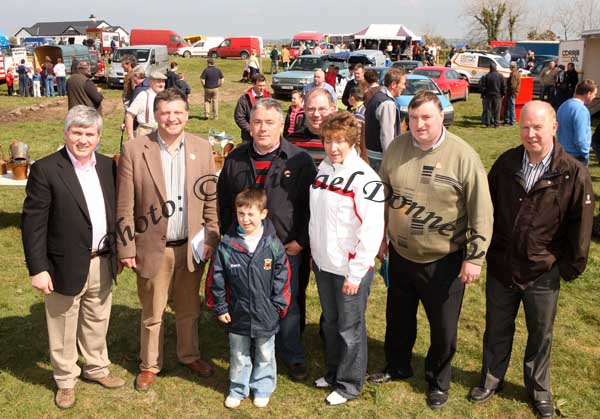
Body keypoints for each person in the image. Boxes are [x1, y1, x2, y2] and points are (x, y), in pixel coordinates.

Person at [368, 91, 494, 410]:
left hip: (445, 259)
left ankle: (438, 380)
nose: (419, 124)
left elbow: (481, 210)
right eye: (413, 118)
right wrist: (380, 236)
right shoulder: (397, 147)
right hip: (400, 254)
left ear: (441, 117)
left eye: (426, 117)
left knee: (443, 327)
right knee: (397, 318)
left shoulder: (463, 155)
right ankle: (397, 366)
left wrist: (475, 258)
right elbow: (383, 195)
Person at [469, 101, 594, 419]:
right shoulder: (507, 162)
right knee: (496, 328)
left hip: (543, 269)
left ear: (553, 127)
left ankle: (539, 391)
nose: (530, 133)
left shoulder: (572, 172)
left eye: (538, 127)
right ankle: (490, 380)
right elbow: (487, 208)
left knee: (540, 334)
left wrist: (569, 266)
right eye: (525, 126)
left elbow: (582, 224)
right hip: (502, 265)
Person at [21, 105, 125, 409]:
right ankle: (65, 379)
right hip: (61, 263)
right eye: (77, 132)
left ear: (98, 136)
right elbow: (33, 224)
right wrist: (38, 268)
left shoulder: (108, 166)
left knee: (97, 317)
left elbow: (114, 212)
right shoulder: (46, 168)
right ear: (66, 133)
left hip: (101, 260)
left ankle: (96, 367)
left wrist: (118, 250)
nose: (83, 139)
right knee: (63, 323)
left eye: (89, 133)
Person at [117, 88, 220, 391]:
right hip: (152, 248)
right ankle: (150, 364)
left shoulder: (202, 148)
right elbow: (124, 206)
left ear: (187, 115)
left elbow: (210, 198)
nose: (172, 118)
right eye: (165, 113)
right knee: (153, 311)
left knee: (189, 307)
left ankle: (189, 355)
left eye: (178, 112)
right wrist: (126, 246)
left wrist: (212, 235)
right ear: (156, 115)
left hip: (191, 247)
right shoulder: (135, 149)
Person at [217, 98, 317, 382]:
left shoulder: (299, 160)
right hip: (242, 248)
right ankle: (246, 348)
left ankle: (292, 354)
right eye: (257, 122)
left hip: (285, 247)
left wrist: (301, 240)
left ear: (282, 125)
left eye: (269, 123)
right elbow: (223, 201)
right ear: (249, 125)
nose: (262, 129)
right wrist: (228, 237)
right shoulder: (235, 158)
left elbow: (310, 206)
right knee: (245, 298)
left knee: (287, 302)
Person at [309, 111, 384, 405]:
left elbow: (372, 230)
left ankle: (350, 384)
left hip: (349, 270)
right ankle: (332, 372)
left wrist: (355, 274)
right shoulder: (324, 169)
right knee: (330, 322)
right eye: (328, 141)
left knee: (349, 329)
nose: (333, 147)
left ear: (352, 142)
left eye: (340, 141)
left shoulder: (366, 178)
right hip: (324, 263)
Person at [207, 188, 291, 409]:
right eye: (241, 214)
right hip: (238, 312)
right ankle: (237, 387)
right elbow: (216, 278)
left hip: (266, 313)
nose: (245, 219)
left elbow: (283, 277)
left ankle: (262, 387)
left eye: (251, 214)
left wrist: (278, 306)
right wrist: (222, 307)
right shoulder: (227, 245)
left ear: (263, 214)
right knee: (239, 352)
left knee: (265, 352)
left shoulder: (273, 245)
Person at [364, 67, 406, 171]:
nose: (404, 87)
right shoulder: (387, 103)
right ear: (393, 85)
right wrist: (390, 159)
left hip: (372, 153)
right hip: (380, 157)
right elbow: (386, 135)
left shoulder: (377, 97)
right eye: (403, 83)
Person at [287, 87, 337, 163]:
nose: (316, 114)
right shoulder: (291, 142)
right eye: (311, 109)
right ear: (304, 109)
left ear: (333, 109)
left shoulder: (342, 142)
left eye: (322, 109)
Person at [556, 79, 598, 166]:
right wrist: (585, 152)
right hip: (576, 156)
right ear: (588, 93)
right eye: (594, 94)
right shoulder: (581, 110)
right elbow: (581, 138)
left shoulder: (564, 105)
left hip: (562, 152)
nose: (594, 97)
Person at [124, 71, 166, 140]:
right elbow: (129, 115)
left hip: (161, 133)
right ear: (151, 82)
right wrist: (130, 136)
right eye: (159, 82)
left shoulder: (165, 97)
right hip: (145, 133)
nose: (162, 84)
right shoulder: (143, 95)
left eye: (163, 82)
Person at [234, 73, 270, 143]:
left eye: (263, 85)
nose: (262, 88)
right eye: (259, 86)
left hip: (265, 135)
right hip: (248, 137)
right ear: (253, 84)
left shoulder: (268, 97)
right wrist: (251, 129)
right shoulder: (244, 99)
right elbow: (239, 117)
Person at [481, 63, 506, 128]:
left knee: (488, 110)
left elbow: (483, 87)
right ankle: (496, 124)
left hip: (488, 95)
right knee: (497, 110)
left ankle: (488, 123)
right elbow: (504, 86)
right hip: (497, 95)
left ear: (490, 68)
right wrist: (503, 94)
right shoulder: (500, 76)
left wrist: (483, 94)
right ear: (496, 68)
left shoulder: (487, 76)